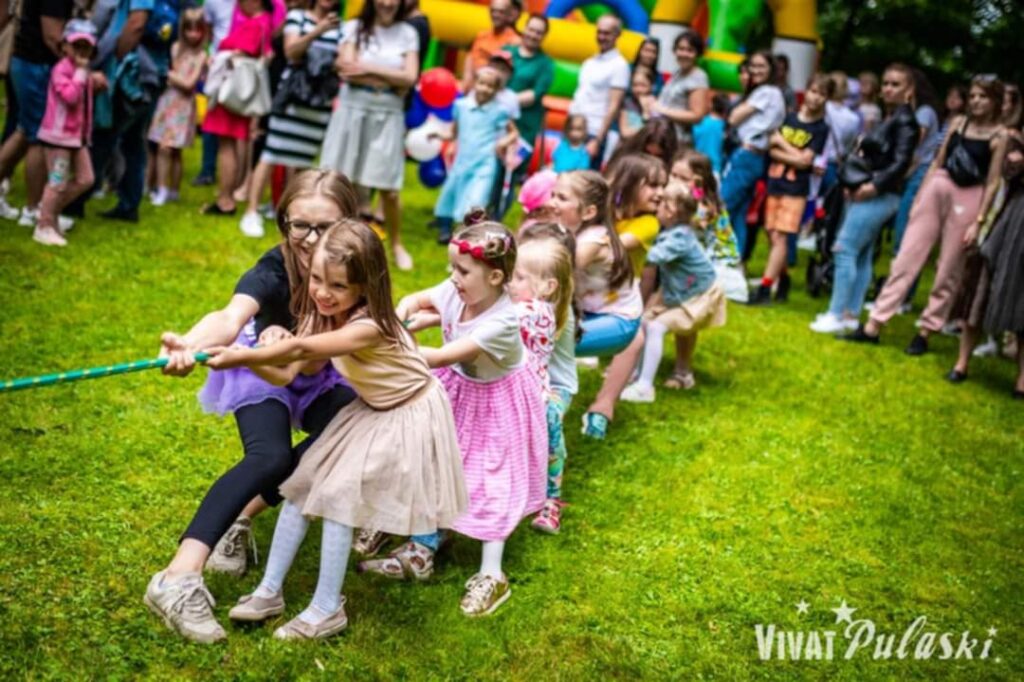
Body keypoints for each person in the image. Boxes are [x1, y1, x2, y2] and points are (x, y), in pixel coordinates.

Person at [202, 220, 467, 640]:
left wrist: (244, 355)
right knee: (301, 486)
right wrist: (251, 360)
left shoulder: (369, 325)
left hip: (406, 411)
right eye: (317, 280)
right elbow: (287, 371)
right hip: (371, 408)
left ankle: (327, 609)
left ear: (364, 286)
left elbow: (301, 348)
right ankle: (269, 591)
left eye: (338, 286)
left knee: (338, 500)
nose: (323, 293)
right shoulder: (321, 314)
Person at [144, 170, 360, 644]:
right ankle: (176, 578)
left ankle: (241, 515)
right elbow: (229, 315)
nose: (310, 239)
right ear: (283, 223)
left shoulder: (359, 266)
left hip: (317, 369)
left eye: (325, 227)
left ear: (351, 225)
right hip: (260, 366)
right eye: (299, 225)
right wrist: (188, 345)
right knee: (270, 456)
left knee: (351, 430)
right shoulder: (272, 270)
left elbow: (336, 349)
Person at [375, 221, 547, 617]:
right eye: (453, 267)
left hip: (498, 402)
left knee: (491, 478)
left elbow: (440, 356)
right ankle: (423, 545)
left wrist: (389, 345)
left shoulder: (502, 322)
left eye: (462, 271)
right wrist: (400, 317)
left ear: (495, 277)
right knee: (433, 460)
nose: (453, 277)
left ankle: (492, 573)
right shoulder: (459, 290)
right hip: (460, 388)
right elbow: (416, 300)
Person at [848, 76, 1009, 353]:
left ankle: (926, 330)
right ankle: (874, 323)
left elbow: (993, 181)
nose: (976, 101)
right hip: (940, 185)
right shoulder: (958, 123)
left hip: (971, 194)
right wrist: (920, 197)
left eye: (983, 96)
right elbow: (937, 162)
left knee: (949, 267)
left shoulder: (1000, 135)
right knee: (907, 256)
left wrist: (980, 221)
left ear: (994, 101)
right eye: (973, 96)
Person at [809, 63, 920, 335]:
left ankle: (836, 313)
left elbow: (901, 163)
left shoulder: (905, 122)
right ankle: (850, 314)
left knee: (845, 249)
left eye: (896, 84)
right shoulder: (891, 118)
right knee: (862, 254)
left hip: (881, 194)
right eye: (886, 83)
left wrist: (872, 187)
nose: (888, 89)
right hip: (873, 191)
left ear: (909, 90)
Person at [319, 0, 419, 270]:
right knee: (340, 180)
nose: (387, 3)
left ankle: (396, 244)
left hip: (388, 114)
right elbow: (346, 69)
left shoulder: (408, 33)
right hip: (353, 109)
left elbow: (410, 77)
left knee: (389, 188)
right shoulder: (354, 27)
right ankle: (332, 239)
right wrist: (391, 78)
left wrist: (369, 69)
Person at [547, 171, 642, 440]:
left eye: (562, 198)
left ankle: (549, 414)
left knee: (542, 342)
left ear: (589, 212)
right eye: (553, 195)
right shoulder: (571, 231)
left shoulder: (591, 242)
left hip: (618, 322)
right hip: (595, 313)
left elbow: (550, 274)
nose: (552, 202)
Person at [236, 0, 342, 237]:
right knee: (271, 154)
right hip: (291, 99)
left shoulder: (342, 27)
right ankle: (251, 212)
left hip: (319, 103)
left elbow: (343, 62)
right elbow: (291, 51)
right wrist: (318, 32)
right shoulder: (298, 17)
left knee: (304, 163)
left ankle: (294, 217)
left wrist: (317, 56)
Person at [620, 182, 726, 401]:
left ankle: (645, 387)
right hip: (683, 293)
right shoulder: (675, 232)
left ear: (670, 211)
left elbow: (653, 256)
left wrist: (638, 243)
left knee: (656, 327)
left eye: (661, 204)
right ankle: (635, 373)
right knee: (644, 323)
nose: (656, 207)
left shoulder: (679, 238)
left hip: (699, 296)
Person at [947, 129, 1024, 398]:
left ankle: (1022, 380)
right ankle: (961, 363)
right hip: (1008, 222)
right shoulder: (1015, 141)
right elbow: (1006, 173)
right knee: (981, 289)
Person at [516, 221, 578, 534]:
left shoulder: (543, 312)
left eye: (518, 277)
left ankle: (551, 500)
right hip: (526, 384)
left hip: (554, 386)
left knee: (550, 416)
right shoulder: (521, 302)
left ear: (547, 285)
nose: (509, 282)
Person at [749, 74, 831, 305]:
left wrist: (782, 144)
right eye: (813, 91)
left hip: (796, 188)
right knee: (771, 234)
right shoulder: (789, 118)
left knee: (781, 236)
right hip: (775, 182)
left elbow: (806, 160)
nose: (816, 98)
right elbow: (771, 149)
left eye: (822, 94)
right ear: (806, 91)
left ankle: (765, 288)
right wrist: (794, 154)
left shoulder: (821, 128)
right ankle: (783, 278)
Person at [0, 0, 76, 228]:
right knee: (39, 138)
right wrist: (77, 64)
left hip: (26, 62)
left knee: (24, 132)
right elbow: (52, 35)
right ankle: (33, 210)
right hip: (36, 65)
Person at [199, 0, 273, 217]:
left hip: (231, 94)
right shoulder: (263, 22)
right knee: (230, 144)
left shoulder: (256, 23)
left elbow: (239, 54)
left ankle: (225, 200)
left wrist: (221, 57)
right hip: (240, 93)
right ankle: (227, 195)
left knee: (226, 145)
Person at [431, 67, 516, 244]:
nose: (485, 89)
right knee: (452, 193)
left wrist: (503, 141)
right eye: (482, 83)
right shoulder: (461, 106)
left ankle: (466, 235)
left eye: (491, 86)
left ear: (497, 90)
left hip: (485, 163)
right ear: (474, 84)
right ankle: (445, 228)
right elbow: (454, 132)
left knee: (476, 198)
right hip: (463, 160)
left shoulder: (499, 111)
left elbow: (513, 133)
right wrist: (439, 134)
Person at [33, 19, 98, 247]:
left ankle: (48, 211)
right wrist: (80, 74)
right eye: (76, 45)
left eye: (86, 46)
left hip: (77, 137)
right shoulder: (61, 70)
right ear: (65, 46)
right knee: (57, 182)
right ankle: (44, 225)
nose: (81, 51)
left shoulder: (83, 71)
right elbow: (70, 97)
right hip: (57, 137)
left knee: (86, 179)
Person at [487, 13, 552, 218]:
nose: (533, 35)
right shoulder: (508, 52)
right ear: (525, 29)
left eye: (539, 32)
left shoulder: (545, 64)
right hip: (496, 124)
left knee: (508, 175)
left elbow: (536, 94)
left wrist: (505, 99)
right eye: (531, 29)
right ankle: (479, 213)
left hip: (523, 130)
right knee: (489, 171)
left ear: (543, 36)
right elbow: (490, 76)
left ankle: (496, 217)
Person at [720, 50, 785, 256]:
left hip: (746, 155)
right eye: (753, 66)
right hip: (755, 156)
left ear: (771, 69)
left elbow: (734, 117)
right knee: (739, 213)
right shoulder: (774, 93)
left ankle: (715, 255)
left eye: (761, 66)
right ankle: (736, 261)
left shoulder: (767, 92)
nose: (755, 71)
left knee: (721, 206)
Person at [147, 8, 208, 207]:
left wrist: (170, 75)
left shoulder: (201, 55)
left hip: (184, 106)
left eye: (197, 30)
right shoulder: (174, 48)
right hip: (168, 101)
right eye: (189, 29)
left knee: (175, 150)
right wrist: (175, 78)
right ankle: (161, 188)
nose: (193, 34)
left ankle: (173, 190)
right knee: (163, 147)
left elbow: (190, 84)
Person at [671, 149, 745, 304]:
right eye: (673, 175)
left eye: (684, 178)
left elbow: (694, 221)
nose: (676, 182)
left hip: (719, 265)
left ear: (699, 183)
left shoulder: (704, 205)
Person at [568, 14, 629, 169]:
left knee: (584, 180)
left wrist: (598, 140)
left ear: (617, 35)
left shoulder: (619, 65)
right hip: (574, 127)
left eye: (607, 33)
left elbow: (614, 106)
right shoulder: (589, 62)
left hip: (593, 132)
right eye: (599, 32)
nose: (601, 37)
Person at [193, 0, 238, 187]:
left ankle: (237, 176)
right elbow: (207, 31)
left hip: (241, 65)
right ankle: (207, 170)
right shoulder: (212, 2)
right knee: (211, 119)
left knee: (236, 123)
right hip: (217, 64)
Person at [653, 30, 710, 146]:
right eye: (681, 49)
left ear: (697, 53)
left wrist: (663, 111)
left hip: (677, 141)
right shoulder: (678, 72)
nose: (684, 53)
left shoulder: (698, 76)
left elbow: (697, 116)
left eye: (690, 50)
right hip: (662, 135)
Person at [461, 0, 520, 91]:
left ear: (508, 15)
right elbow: (470, 58)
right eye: (493, 11)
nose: (496, 15)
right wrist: (467, 81)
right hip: (473, 86)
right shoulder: (481, 36)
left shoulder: (514, 41)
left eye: (501, 12)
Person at [605, 118, 678, 175]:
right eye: (647, 153)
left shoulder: (674, 168)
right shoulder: (624, 156)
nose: (651, 160)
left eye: (658, 156)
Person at [692, 93, 729, 178]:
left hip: (697, 165)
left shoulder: (699, 122)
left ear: (711, 105)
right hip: (715, 169)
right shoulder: (726, 127)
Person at [618, 66, 657, 139]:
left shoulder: (656, 105)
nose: (638, 90)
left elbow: (654, 132)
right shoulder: (627, 104)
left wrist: (646, 112)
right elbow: (625, 133)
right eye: (635, 85)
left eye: (643, 85)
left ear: (651, 86)